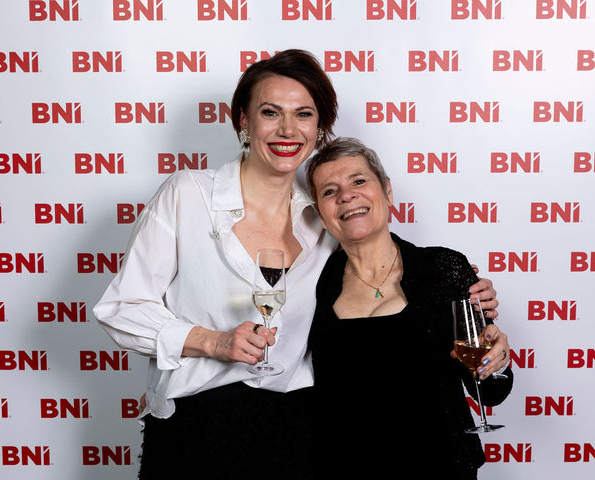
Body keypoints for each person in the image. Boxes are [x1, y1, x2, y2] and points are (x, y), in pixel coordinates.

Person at [93, 50, 500, 478]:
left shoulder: (325, 218)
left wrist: (461, 289)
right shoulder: (187, 195)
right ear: (244, 121)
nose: (288, 129)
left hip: (298, 433)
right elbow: (121, 309)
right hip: (196, 430)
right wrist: (213, 343)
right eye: (270, 112)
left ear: (319, 127)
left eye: (303, 114)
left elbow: (385, 292)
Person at [305, 137, 513, 479]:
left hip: (441, 468)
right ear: (321, 215)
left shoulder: (444, 269)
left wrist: (498, 360)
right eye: (330, 191)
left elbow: (492, 391)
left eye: (359, 181)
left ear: (387, 191)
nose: (346, 196)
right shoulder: (311, 283)